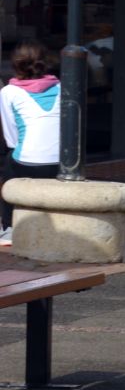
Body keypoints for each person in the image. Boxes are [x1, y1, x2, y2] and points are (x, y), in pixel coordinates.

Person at [0, 42, 60, 244]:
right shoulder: (62, 87)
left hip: (26, 161)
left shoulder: (9, 92)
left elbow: (11, 137)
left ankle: (9, 227)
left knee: (9, 164)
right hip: (60, 162)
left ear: (15, 65)